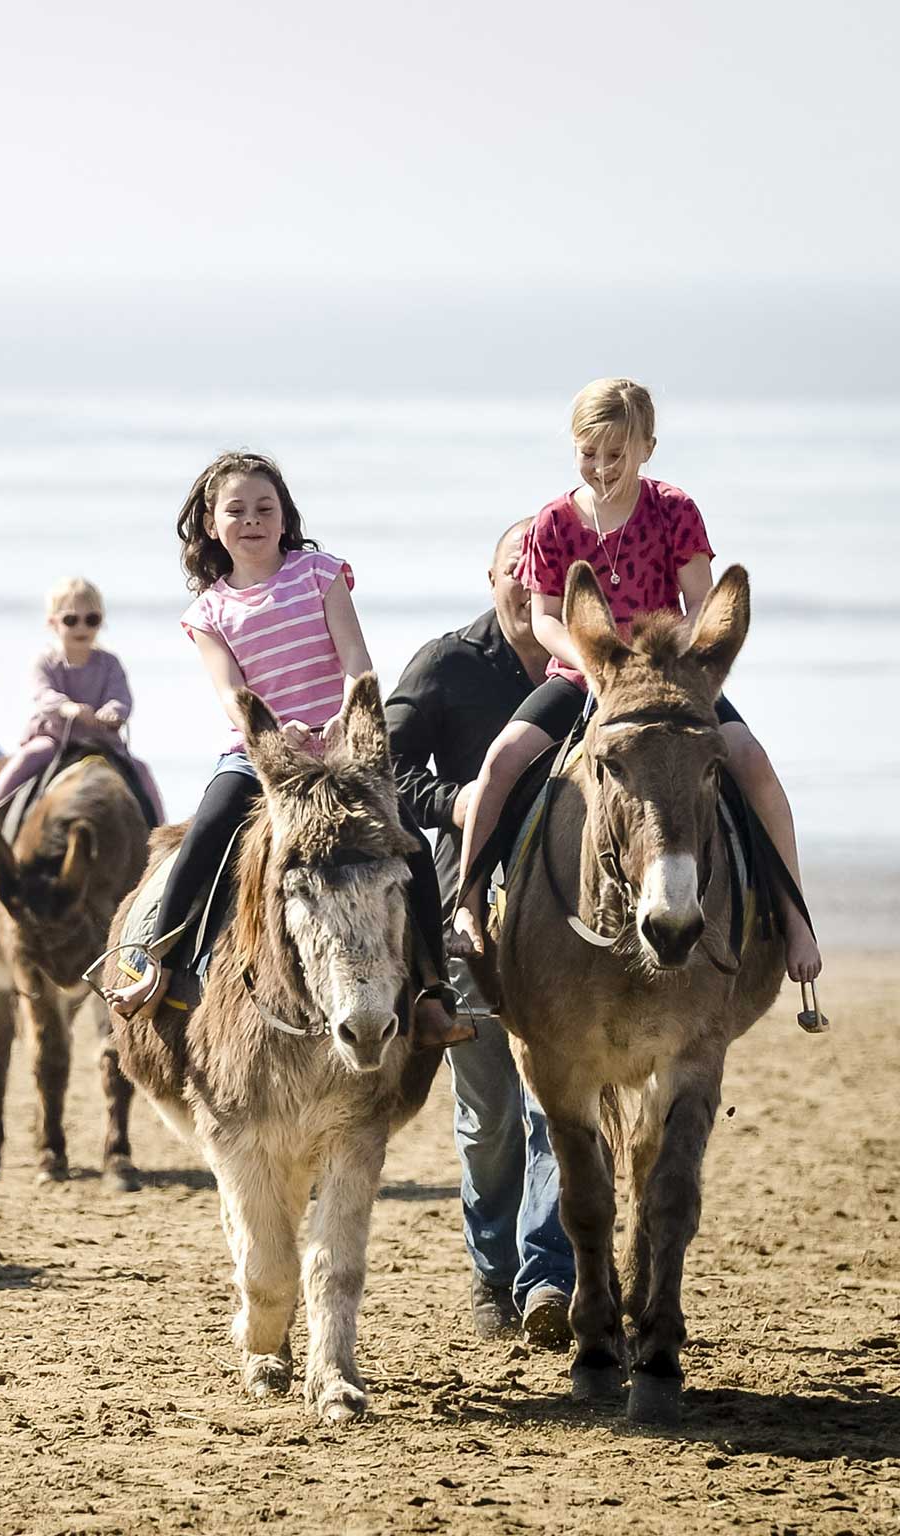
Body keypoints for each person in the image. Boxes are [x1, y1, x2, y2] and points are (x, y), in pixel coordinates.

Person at [449, 379, 822, 987]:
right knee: (501, 760)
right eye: (588, 452)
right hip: (583, 674)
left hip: (671, 679)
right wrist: (596, 666)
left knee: (754, 764)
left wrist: (689, 665)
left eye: (616, 454)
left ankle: (794, 917)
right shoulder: (553, 520)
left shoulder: (674, 509)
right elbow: (544, 617)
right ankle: (468, 904)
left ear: (647, 447)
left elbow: (701, 600)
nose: (600, 468)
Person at [101, 451, 470, 1051]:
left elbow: (356, 660)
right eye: (236, 510)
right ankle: (160, 959)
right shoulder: (209, 612)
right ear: (211, 523)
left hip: (341, 749)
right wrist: (275, 733)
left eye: (264, 508)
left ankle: (431, 988)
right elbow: (231, 692)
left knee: (408, 842)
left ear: (284, 515)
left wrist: (344, 721)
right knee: (209, 830)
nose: (251, 520)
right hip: (259, 751)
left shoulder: (320, 574)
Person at [386, 519, 575, 1347]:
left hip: (568, 925)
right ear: (493, 574)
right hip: (470, 921)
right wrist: (453, 801)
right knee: (491, 1115)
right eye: (518, 567)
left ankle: (546, 1281)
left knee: (558, 1108)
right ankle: (493, 1273)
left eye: (552, 574)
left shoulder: (587, 674)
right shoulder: (447, 664)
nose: (532, 584)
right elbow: (380, 770)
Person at [0, 578, 162, 884]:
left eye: (92, 619)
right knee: (27, 758)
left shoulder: (109, 663)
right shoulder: (46, 661)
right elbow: (42, 694)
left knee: (141, 770)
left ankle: (160, 835)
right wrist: (66, 707)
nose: (81, 627)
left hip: (102, 741)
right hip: (56, 736)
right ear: (53, 622)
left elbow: (121, 696)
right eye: (71, 619)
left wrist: (114, 711)